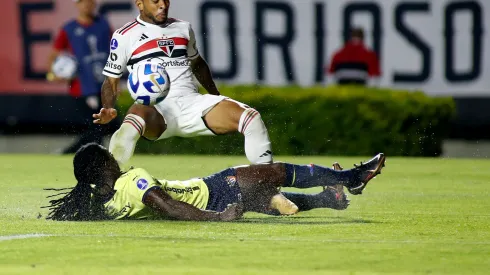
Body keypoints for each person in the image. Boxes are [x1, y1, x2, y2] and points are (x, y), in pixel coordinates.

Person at [93, 0, 273, 170]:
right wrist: (108, 107)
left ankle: (266, 191)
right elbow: (111, 80)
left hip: (192, 103)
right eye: (156, 1)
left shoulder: (183, 28)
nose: (163, 5)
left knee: (251, 118)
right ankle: (107, 191)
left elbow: (198, 64)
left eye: (166, 0)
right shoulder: (124, 35)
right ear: (140, 3)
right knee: (130, 125)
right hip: (156, 110)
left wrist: (214, 95)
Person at [43, 143, 386, 221]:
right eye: (109, 154)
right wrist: (217, 218)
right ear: (104, 163)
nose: (116, 157)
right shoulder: (132, 179)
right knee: (275, 170)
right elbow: (168, 205)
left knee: (268, 196)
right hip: (215, 190)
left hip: (217, 199)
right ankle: (351, 178)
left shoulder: (105, 204)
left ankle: (329, 198)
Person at [47, 0, 113, 154]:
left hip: (104, 85)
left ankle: (75, 153)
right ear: (77, 5)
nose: (87, 5)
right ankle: (70, 153)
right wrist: (53, 74)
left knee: (103, 126)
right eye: (83, 2)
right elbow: (53, 56)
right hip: (82, 88)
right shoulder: (69, 29)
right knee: (98, 126)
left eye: (90, 2)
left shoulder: (103, 25)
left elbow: (115, 50)